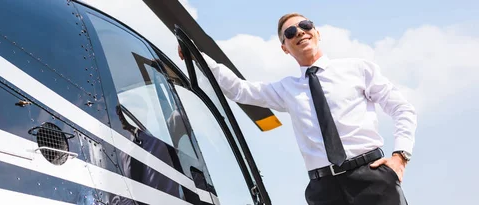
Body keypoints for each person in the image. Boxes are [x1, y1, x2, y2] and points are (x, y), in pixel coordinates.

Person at [178, 12, 417, 205]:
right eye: (290, 32)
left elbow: (402, 109)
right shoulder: (287, 89)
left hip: (371, 178)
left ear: (317, 32)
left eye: (305, 25)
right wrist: (198, 58)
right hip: (324, 190)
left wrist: (401, 156)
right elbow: (240, 90)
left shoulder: (358, 69)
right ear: (285, 48)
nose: (300, 32)